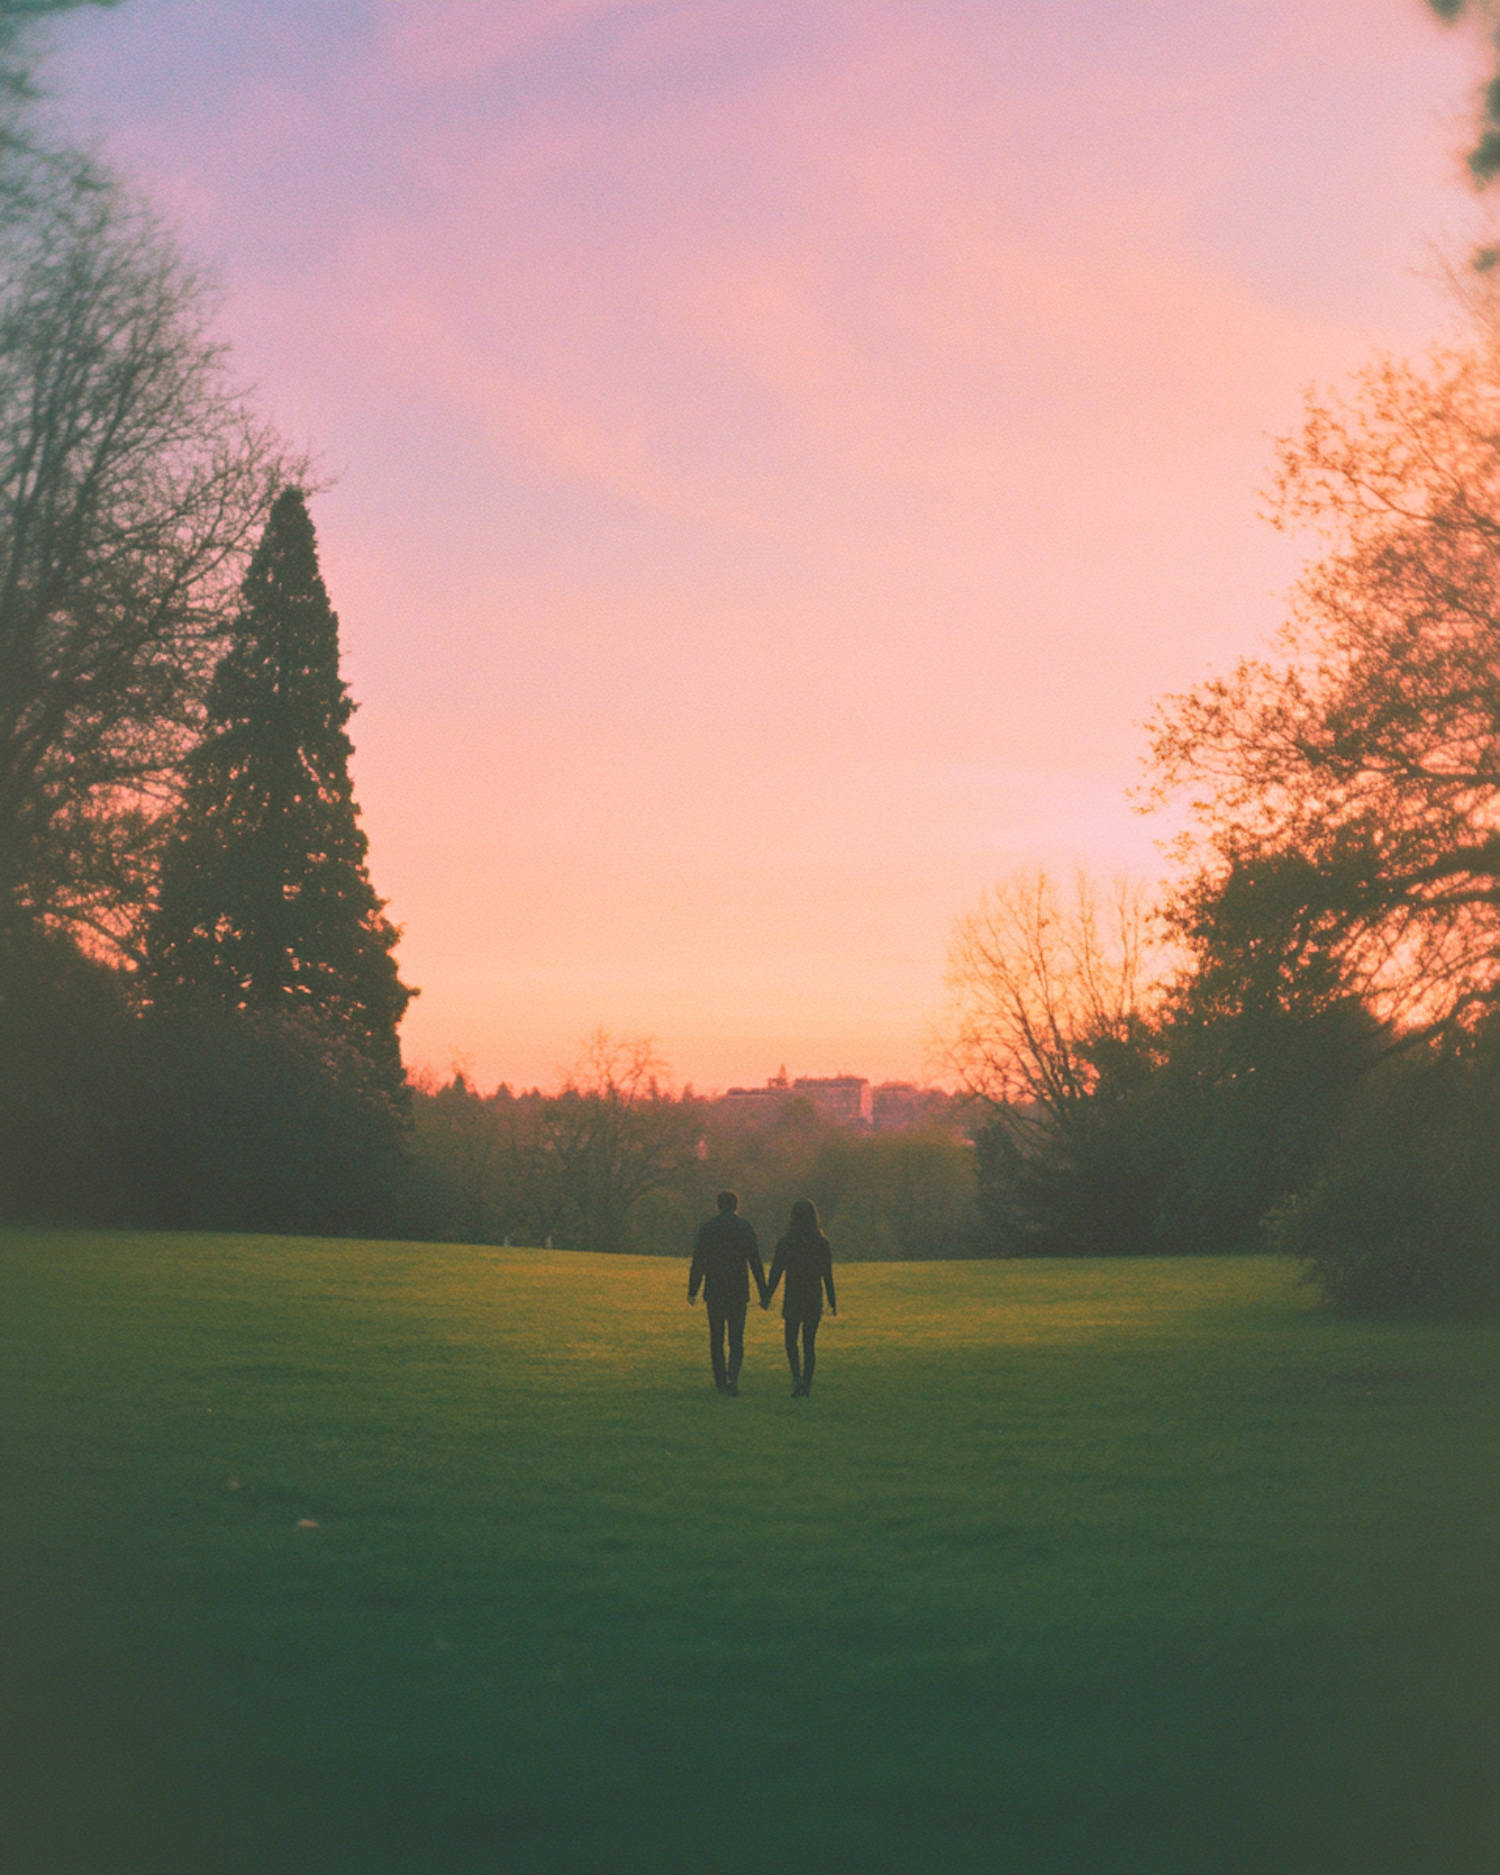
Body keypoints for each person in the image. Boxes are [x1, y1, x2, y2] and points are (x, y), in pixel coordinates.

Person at [688, 1190, 768, 1395]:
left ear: (718, 1205)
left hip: (715, 1289)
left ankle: (720, 1380)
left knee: (716, 1338)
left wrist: (693, 1289)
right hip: (738, 1290)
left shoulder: (708, 1228)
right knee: (736, 1339)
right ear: (736, 1205)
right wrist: (763, 1291)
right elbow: (755, 1262)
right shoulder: (745, 1228)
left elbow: (699, 1261)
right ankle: (733, 1377)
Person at [766, 1199, 836, 1397]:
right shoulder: (822, 1243)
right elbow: (827, 1275)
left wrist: (767, 1296)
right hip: (813, 1296)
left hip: (793, 1296)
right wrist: (832, 1300)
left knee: (791, 1339)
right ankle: (807, 1381)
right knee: (809, 1343)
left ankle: (796, 1376)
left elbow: (776, 1272)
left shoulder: (786, 1242)